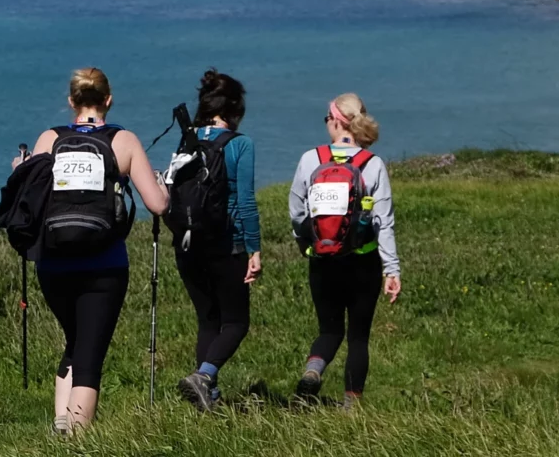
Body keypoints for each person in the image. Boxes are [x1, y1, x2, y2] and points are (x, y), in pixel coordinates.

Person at [11, 67, 169, 435]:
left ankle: (61, 425)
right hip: (104, 263)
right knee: (90, 355)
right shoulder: (124, 141)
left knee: (77, 340)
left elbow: (30, 195)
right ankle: (78, 442)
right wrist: (164, 187)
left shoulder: (49, 139)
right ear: (108, 99)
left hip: (53, 261)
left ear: (71, 101)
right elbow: (157, 205)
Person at [286, 93, 401, 410]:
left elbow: (296, 213)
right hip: (362, 260)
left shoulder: (311, 159)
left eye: (326, 118)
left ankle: (313, 370)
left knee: (329, 328)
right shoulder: (373, 164)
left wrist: (306, 243)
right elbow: (383, 222)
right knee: (358, 337)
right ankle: (351, 408)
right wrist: (392, 269)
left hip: (322, 260)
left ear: (337, 121)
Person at [171, 69, 262, 411]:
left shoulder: (187, 139)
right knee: (236, 322)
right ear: (235, 108)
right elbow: (246, 202)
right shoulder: (240, 144)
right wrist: (254, 248)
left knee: (207, 320)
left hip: (189, 244)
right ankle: (205, 376)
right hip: (228, 244)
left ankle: (207, 398)